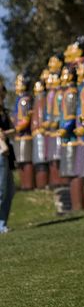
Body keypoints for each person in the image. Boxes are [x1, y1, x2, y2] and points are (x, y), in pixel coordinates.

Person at [0, 79, 16, 233]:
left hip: (6, 152)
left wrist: (3, 133)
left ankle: (2, 222)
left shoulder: (4, 112)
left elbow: (13, 130)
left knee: (9, 190)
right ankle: (1, 224)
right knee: (1, 190)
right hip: (0, 152)